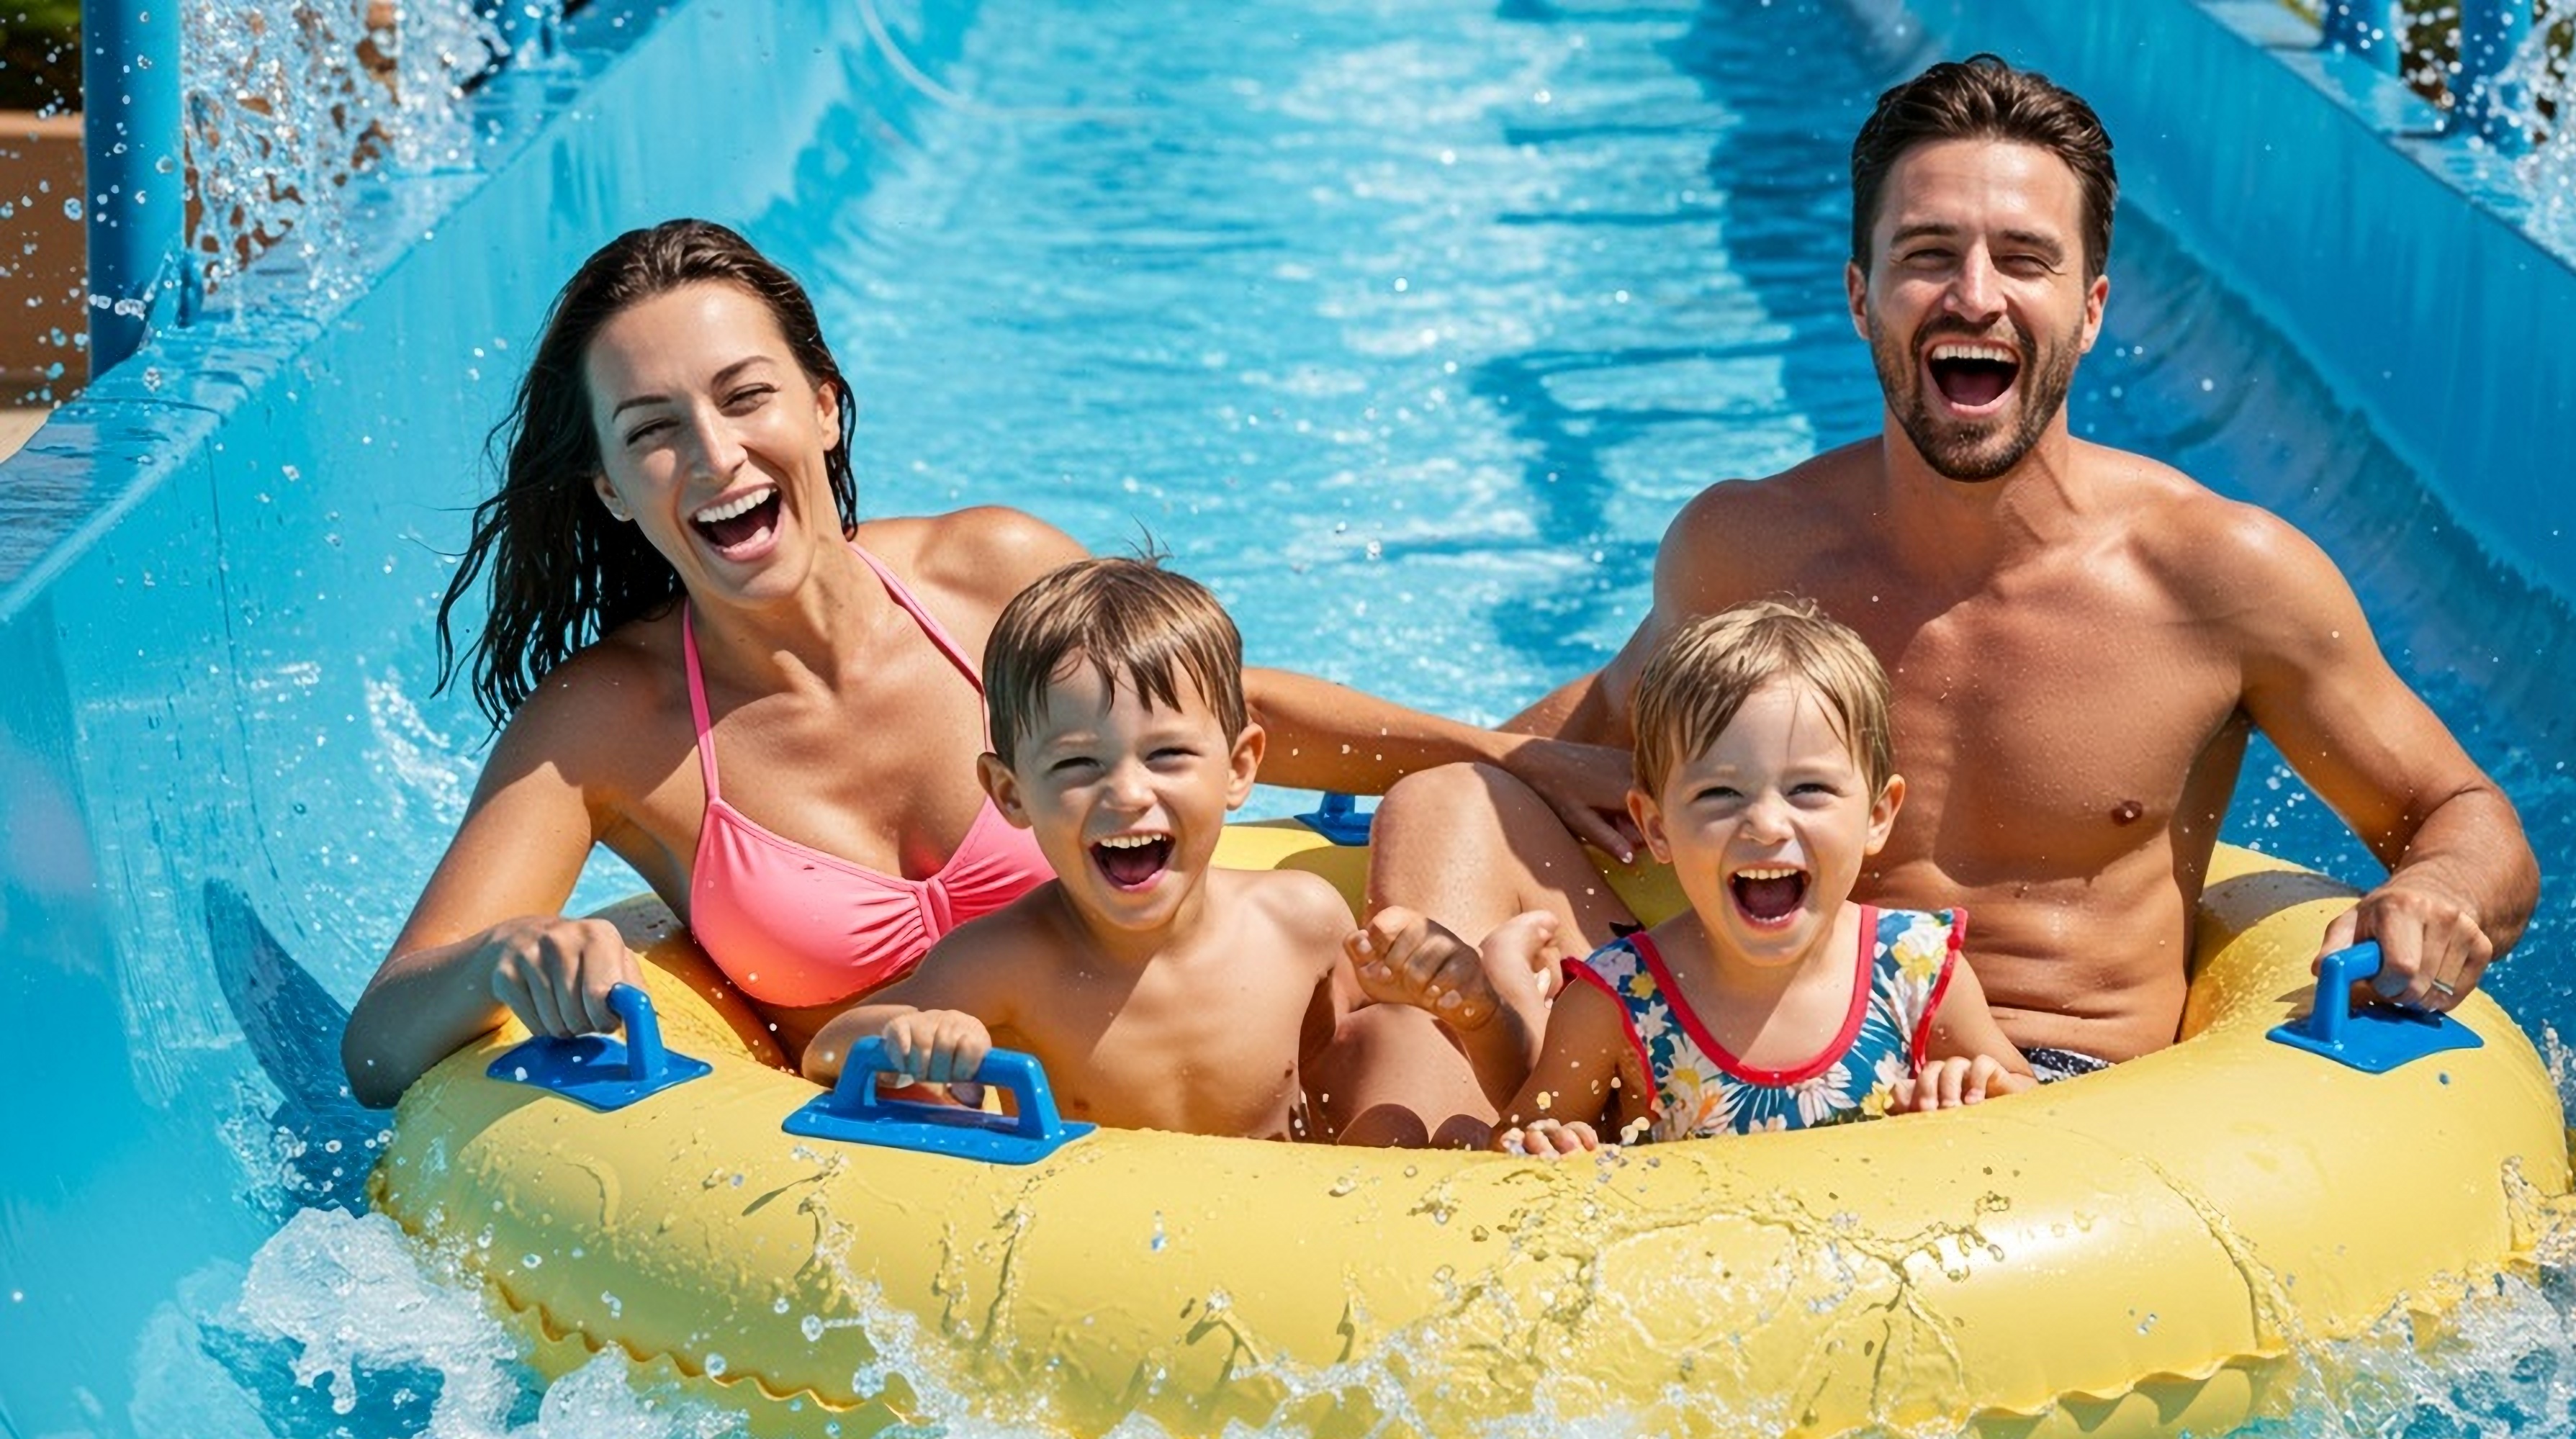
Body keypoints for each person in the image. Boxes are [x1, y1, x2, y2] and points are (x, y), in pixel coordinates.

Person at [1336, 53, 2538, 1137]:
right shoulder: (1744, 553)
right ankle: (1407, 1224)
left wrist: (2436, 889)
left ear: (2093, 306)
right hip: (1744, 1093)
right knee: (1447, 804)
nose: (1974, 295)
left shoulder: (2218, 578)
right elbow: (1552, 762)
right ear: (1861, 298)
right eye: (1927, 256)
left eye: (2024, 259)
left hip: (2053, 1117)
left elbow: (2458, 809)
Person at [342, 220, 1603, 1106]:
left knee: (1458, 836)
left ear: (823, 406)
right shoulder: (607, 724)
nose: (717, 457)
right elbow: (380, 1047)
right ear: (613, 490)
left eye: (746, 398)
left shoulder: (981, 572)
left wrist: (1501, 748)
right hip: (944, 1169)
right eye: (653, 432)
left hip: (1203, 1101)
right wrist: (509, 957)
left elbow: (1222, 710)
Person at [802, 558, 1523, 1138]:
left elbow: (1438, 1072)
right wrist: (913, 1032)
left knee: (1402, 1059)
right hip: (1120, 1260)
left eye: (1167, 755)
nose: (1127, 794)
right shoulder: (1004, 962)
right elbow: (824, 1050)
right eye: (1077, 765)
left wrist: (1475, 1008)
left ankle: (1516, 968)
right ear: (1010, 792)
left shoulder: (1300, 920)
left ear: (1240, 768)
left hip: (1299, 1240)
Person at [1373, 600, 2035, 1155]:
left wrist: (1980, 1084)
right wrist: (1551, 1143)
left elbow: (2036, 1104)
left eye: (1809, 789)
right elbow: (1518, 1139)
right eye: (1720, 795)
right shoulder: (1618, 1003)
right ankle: (1513, 981)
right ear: (1656, 827)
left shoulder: (1916, 970)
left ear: (1879, 816)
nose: (1768, 824)